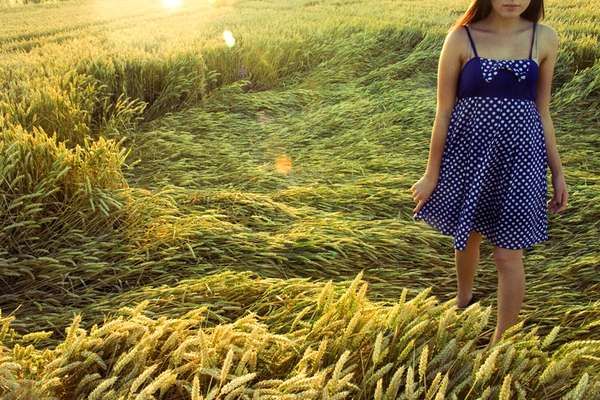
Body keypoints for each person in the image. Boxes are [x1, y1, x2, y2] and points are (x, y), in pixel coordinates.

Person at [409, 0, 568, 347]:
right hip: (468, 153)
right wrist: (431, 173)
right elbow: (444, 112)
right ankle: (463, 300)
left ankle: (499, 344)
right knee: (468, 236)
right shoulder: (461, 38)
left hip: (522, 159)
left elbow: (543, 112)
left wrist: (557, 171)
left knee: (508, 253)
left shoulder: (544, 38)